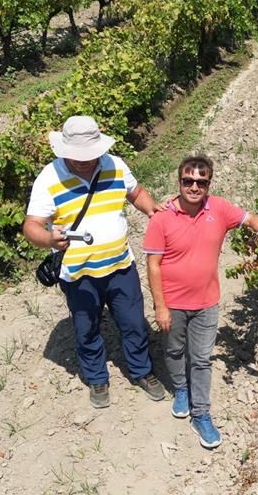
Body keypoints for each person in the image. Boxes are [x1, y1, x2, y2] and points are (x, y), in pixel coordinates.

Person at [143, 155, 258, 449]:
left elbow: (251, 220)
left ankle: (201, 415)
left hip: (207, 302)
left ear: (209, 184)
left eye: (201, 181)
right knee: (173, 351)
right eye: (188, 181)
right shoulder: (162, 218)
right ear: (179, 181)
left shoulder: (219, 208)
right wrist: (160, 306)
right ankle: (181, 390)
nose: (194, 187)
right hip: (172, 303)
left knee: (200, 360)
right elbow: (153, 265)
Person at [23, 115, 166, 409]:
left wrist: (152, 209)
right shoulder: (49, 178)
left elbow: (135, 193)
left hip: (120, 266)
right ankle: (97, 377)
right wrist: (50, 240)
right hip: (78, 274)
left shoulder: (115, 165)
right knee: (86, 328)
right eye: (77, 157)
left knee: (134, 324)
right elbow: (32, 225)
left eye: (89, 155)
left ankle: (141, 371)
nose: (84, 161)